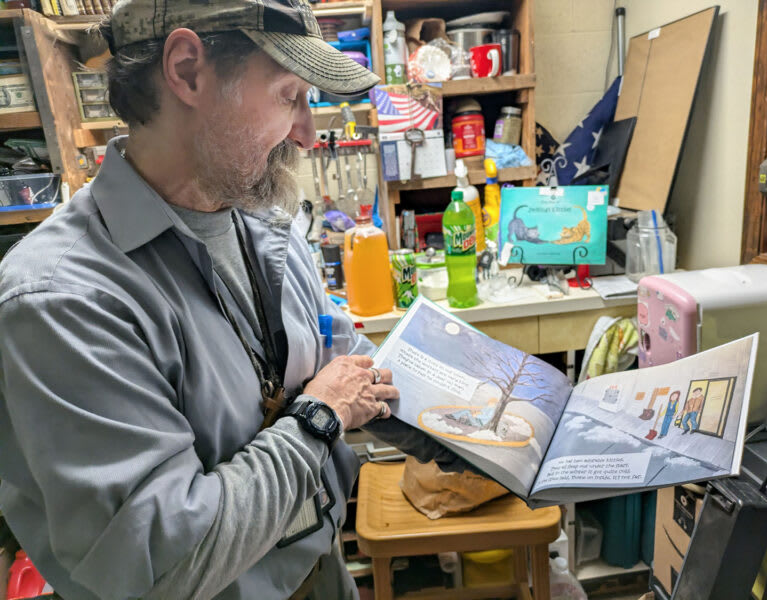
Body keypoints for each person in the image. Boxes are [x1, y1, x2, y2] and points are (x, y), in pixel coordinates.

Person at [0, 1, 463, 598]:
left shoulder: (263, 224)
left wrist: (497, 438)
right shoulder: (61, 300)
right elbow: (159, 565)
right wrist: (318, 420)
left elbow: (354, 369)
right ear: (187, 70)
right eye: (289, 95)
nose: (307, 134)